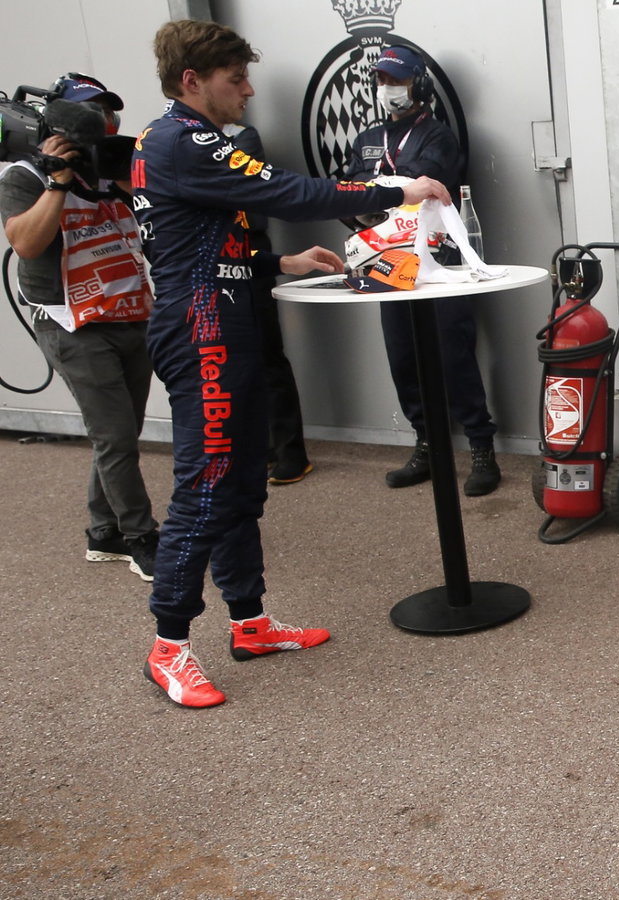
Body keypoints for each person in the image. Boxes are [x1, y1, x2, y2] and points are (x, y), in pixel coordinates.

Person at [133, 19, 453, 708]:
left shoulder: (193, 143)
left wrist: (281, 261)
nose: (248, 90)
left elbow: (197, 242)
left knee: (245, 481)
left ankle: (248, 622)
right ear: (192, 82)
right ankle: (168, 647)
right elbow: (289, 192)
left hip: (230, 319)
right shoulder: (179, 140)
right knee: (207, 487)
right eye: (234, 79)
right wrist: (400, 191)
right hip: (202, 331)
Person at [0, 75, 160, 582]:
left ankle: (102, 531)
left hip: (130, 311)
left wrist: (123, 177)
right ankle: (140, 537)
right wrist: (58, 179)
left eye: (108, 110)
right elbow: (26, 243)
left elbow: (153, 219)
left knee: (119, 433)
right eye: (91, 112)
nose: (103, 121)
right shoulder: (24, 177)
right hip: (73, 324)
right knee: (115, 435)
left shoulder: (114, 166)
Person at [335, 45, 501, 497]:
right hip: (385, 260)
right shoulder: (366, 139)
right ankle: (426, 442)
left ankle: (482, 446)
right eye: (382, 81)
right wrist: (369, 201)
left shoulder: (437, 137)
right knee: (402, 355)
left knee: (454, 352)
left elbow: (421, 192)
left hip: (437, 259)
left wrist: (377, 193)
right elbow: (351, 192)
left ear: (420, 85)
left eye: (398, 80)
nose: (388, 89)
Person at [227, 122, 314, 485]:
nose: (246, 92)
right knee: (229, 361)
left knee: (267, 355)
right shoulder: (172, 137)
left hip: (252, 251)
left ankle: (290, 452)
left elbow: (245, 192)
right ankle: (256, 448)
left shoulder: (240, 136)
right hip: (211, 257)